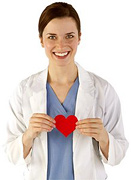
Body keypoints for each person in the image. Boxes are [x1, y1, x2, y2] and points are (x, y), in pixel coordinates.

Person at [5, 2, 128, 180]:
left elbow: (119, 154)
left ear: (79, 37)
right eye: (52, 37)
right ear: (41, 40)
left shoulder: (103, 90)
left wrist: (103, 137)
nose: (61, 45)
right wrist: (29, 134)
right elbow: (11, 155)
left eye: (69, 36)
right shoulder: (24, 91)